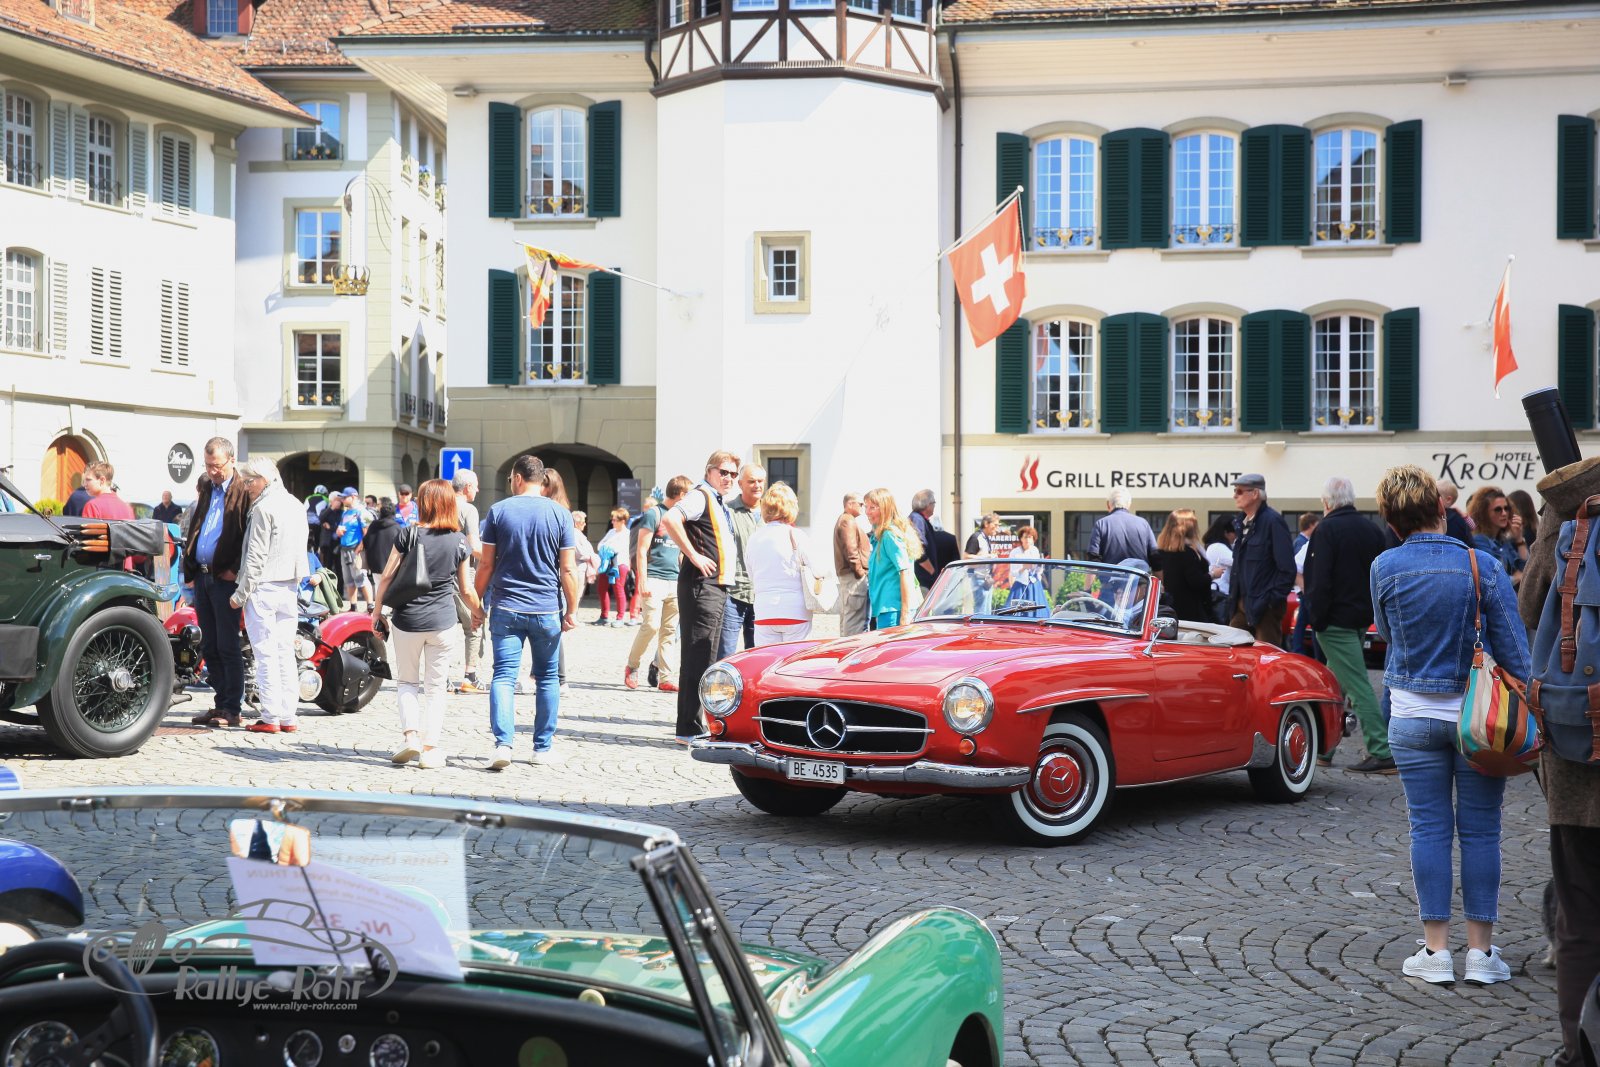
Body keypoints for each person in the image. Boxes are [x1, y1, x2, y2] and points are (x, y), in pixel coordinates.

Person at [1371, 464, 1529, 986]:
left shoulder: (1384, 566)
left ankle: (1436, 952)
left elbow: (1389, 634)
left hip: (1411, 714)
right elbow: (1514, 648)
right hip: (1478, 717)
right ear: (1441, 508)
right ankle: (1481, 954)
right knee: (1482, 831)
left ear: (1391, 521)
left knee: (1428, 828)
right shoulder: (1481, 564)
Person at [1516, 455, 1600, 1064]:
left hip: (1577, 761)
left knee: (1580, 920)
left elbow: (1529, 611)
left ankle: (1580, 1050)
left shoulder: (1570, 520)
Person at [474, 454, 579, 767]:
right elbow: (568, 569)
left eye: (510, 479)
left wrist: (476, 603)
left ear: (517, 478)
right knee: (547, 678)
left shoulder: (498, 511)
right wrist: (572, 609)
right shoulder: (561, 515)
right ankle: (542, 749)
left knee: (503, 676)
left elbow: (486, 564)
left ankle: (503, 746)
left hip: (506, 605)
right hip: (546, 608)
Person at [372, 479, 476, 770]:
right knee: (436, 687)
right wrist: (479, 612)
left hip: (407, 620)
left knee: (407, 681)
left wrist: (377, 611)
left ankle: (410, 738)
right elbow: (465, 589)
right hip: (443, 622)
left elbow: (387, 576)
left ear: (424, 503)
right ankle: (430, 750)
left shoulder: (408, 534)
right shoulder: (459, 540)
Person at [1305, 476, 1388, 772]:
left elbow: (1319, 579)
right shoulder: (1371, 529)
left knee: (1356, 685)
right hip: (1360, 617)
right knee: (1334, 685)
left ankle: (1381, 748)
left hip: (1334, 620)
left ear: (1326, 502)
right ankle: (1325, 748)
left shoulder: (1325, 529)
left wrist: (1316, 619)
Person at [658, 450, 740, 743]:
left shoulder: (717, 501)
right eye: (723, 472)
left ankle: (698, 724)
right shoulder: (700, 496)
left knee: (707, 656)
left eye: (733, 474)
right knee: (697, 656)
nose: (729, 478)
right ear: (709, 471)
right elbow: (670, 518)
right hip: (702, 585)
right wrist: (693, 554)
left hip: (714, 585)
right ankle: (688, 728)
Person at [227, 457, 309, 734]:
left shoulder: (264, 507)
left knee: (265, 654)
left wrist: (240, 594)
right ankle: (288, 716)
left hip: (263, 586)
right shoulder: (296, 504)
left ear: (265, 479)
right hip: (289, 585)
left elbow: (256, 556)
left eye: (250, 481)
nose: (247, 486)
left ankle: (270, 716)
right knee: (285, 653)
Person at [184, 438, 252, 728]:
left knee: (227, 645)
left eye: (217, 466)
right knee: (209, 646)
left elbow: (248, 535)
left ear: (232, 461)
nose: (212, 471)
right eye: (208, 465)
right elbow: (198, 528)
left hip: (225, 578)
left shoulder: (242, 491)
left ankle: (232, 708)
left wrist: (235, 570)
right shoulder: (208, 489)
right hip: (203, 576)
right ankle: (221, 703)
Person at [626, 476, 690, 691]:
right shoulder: (654, 514)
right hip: (654, 578)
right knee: (651, 625)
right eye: (688, 494)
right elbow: (641, 550)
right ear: (681, 494)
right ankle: (632, 666)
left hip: (675, 581)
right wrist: (642, 581)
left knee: (669, 631)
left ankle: (665, 678)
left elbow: (680, 552)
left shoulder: (680, 518)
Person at [1227, 474, 1295, 647]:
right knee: (1233, 651)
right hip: (1242, 605)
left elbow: (1287, 569)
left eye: (1239, 491)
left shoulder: (1273, 522)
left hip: (1265, 608)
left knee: (1266, 656)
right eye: (1235, 491)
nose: (1235, 495)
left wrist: (1270, 601)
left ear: (1255, 494)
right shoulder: (1240, 523)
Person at [745, 483, 816, 645]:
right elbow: (817, 569)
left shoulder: (754, 538)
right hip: (795, 611)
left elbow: (751, 574)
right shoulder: (797, 535)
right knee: (795, 659)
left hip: (764, 611)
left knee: (768, 658)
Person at [720, 464, 766, 657]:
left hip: (762, 594)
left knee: (758, 655)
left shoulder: (772, 513)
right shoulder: (727, 511)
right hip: (733, 592)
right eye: (751, 481)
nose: (757, 485)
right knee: (725, 653)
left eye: (760, 481)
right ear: (740, 484)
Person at [865, 487, 923, 629]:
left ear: (885, 509)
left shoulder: (889, 535)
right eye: (866, 507)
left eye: (872, 507)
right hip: (889, 608)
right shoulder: (882, 535)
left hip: (894, 610)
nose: (867, 512)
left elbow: (905, 572)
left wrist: (905, 614)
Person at [450, 468, 487, 694]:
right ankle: (470, 676)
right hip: (461, 573)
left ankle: (441, 678)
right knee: (475, 622)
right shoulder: (468, 509)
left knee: (443, 627)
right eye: (476, 486)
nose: (478, 490)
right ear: (467, 487)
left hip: (436, 574)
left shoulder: (440, 503)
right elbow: (474, 546)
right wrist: (495, 558)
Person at [1466, 486, 1528, 589]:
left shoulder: (1503, 540)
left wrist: (1519, 539)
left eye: (1506, 508)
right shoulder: (1479, 541)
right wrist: (1516, 578)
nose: (1504, 513)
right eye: (1498, 509)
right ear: (1484, 513)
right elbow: (1491, 578)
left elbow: (1526, 569)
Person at [1154, 509, 1211, 623]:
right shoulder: (1188, 553)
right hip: (1191, 609)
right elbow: (1196, 581)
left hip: (1168, 608)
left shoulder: (1160, 552)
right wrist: (1212, 575)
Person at [1088, 488, 1157, 568]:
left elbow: (1093, 559)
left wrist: (1091, 577)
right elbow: (1155, 557)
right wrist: (1160, 576)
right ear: (1129, 504)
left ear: (1108, 504)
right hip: (1139, 575)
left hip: (1110, 576)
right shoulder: (1144, 524)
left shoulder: (1101, 524)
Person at [834, 493, 871, 637]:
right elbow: (851, 550)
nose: (863, 507)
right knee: (855, 622)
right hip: (853, 577)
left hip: (850, 576)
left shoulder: (846, 520)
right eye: (860, 504)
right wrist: (860, 572)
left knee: (850, 619)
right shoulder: (847, 521)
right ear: (850, 504)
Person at [1289, 513, 1321, 657]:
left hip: (1304, 589)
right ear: (1311, 525)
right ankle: (1297, 649)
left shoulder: (1302, 541)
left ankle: (1298, 648)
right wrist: (1304, 588)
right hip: (1305, 589)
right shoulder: (1302, 543)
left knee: (1302, 621)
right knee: (1304, 622)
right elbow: (1297, 567)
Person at [595, 507, 633, 627]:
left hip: (620, 564)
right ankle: (604, 616)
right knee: (601, 588)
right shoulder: (611, 532)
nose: (612, 522)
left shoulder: (627, 534)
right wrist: (606, 548)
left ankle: (620, 618)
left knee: (618, 589)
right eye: (612, 519)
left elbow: (617, 548)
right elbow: (600, 545)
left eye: (615, 520)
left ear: (623, 521)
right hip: (606, 564)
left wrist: (607, 548)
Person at [1004, 525, 1048, 614]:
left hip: (1034, 585)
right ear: (1021, 538)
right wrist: (1023, 568)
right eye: (1025, 537)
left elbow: (1039, 571)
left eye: (1030, 537)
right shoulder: (1015, 552)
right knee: (1016, 612)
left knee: (1037, 611)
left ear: (1033, 539)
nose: (1027, 540)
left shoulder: (1035, 550)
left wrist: (1039, 566)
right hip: (1020, 585)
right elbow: (1013, 573)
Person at [1201, 515, 1235, 624]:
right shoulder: (1218, 547)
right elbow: (1237, 561)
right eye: (1234, 533)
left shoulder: (1214, 546)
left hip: (1220, 593)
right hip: (1221, 594)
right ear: (1226, 532)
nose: (1236, 536)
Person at [908, 489, 939, 589]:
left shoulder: (918, 519)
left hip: (923, 579)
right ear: (927, 505)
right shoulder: (917, 519)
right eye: (933, 503)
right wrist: (932, 571)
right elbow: (918, 549)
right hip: (922, 581)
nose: (934, 506)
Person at [363, 503, 403, 579]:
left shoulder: (373, 525)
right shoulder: (397, 528)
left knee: (378, 585)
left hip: (375, 566)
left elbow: (366, 542)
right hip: (391, 568)